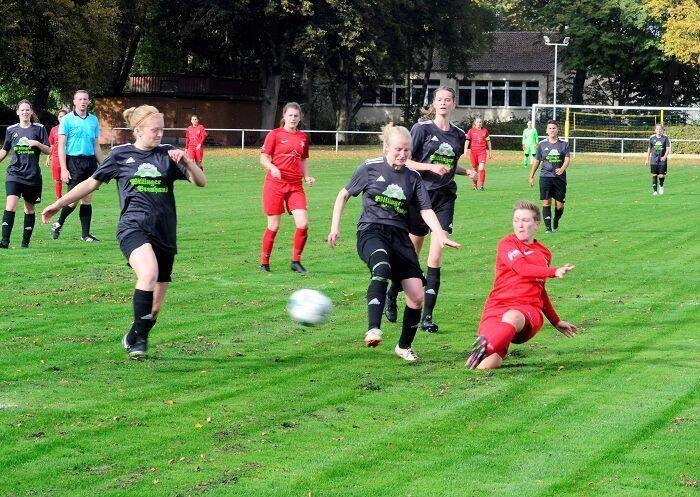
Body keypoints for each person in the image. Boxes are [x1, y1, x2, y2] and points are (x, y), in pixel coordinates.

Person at [42, 105, 206, 358]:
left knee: (156, 305)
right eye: (155, 130)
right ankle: (140, 342)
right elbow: (90, 183)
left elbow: (200, 181)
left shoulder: (167, 155)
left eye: (162, 129)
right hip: (133, 227)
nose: (160, 134)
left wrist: (186, 161)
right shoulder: (120, 155)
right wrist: (58, 203)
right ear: (137, 130)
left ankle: (134, 334)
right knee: (148, 273)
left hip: (164, 232)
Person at [327, 123, 460, 362]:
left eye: (407, 150)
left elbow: (426, 210)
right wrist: (335, 227)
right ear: (386, 147)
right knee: (381, 268)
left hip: (400, 236)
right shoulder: (369, 168)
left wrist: (440, 234)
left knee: (417, 295)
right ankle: (373, 328)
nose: (403, 154)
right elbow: (343, 194)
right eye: (398, 149)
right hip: (372, 230)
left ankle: (403, 346)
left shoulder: (414, 177)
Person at [384, 86, 477, 333]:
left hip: (445, 199)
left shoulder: (458, 135)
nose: (444, 103)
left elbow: (450, 165)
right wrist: (429, 168)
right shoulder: (422, 129)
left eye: (448, 100)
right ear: (434, 104)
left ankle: (427, 318)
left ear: (454, 104)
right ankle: (393, 292)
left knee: (435, 256)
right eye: (439, 100)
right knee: (411, 256)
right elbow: (408, 161)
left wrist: (466, 171)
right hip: (420, 197)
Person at [466, 199, 578, 370]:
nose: (519, 225)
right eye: (516, 220)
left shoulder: (544, 253)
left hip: (527, 311)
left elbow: (540, 289)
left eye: (525, 221)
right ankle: (487, 350)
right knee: (487, 364)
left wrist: (555, 321)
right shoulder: (506, 244)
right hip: (496, 306)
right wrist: (553, 271)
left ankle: (485, 346)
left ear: (537, 224)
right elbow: (521, 268)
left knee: (513, 317)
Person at [259, 102, 314, 274]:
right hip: (275, 185)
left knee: (303, 223)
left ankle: (296, 261)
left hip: (295, 185)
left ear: (300, 118)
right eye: (290, 115)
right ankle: (264, 262)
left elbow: (303, 160)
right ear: (284, 116)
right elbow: (263, 158)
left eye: (296, 116)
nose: (293, 118)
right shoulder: (274, 135)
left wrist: (306, 176)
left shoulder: (303, 138)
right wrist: (273, 168)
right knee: (274, 226)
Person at [51, 89, 105, 242]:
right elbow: (61, 146)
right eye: (79, 99)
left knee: (87, 198)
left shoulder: (94, 120)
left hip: (90, 162)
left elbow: (96, 146)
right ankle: (58, 223)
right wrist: (64, 169)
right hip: (73, 162)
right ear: (74, 102)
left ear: (88, 102)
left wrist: (104, 165)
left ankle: (85, 234)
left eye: (85, 99)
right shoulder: (67, 120)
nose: (82, 102)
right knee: (72, 200)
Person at [0, 100, 51, 248]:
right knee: (10, 206)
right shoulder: (11, 130)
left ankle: (25, 243)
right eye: (22, 110)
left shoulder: (39, 129)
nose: (25, 112)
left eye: (27, 110)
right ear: (17, 112)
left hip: (32, 176)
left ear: (31, 112)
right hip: (14, 174)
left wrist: (36, 143)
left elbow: (49, 150)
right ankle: (4, 241)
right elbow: (5, 150)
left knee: (29, 209)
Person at [528, 120, 570, 233]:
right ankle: (548, 228)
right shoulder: (542, 144)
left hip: (559, 179)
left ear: (557, 130)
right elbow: (537, 161)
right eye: (550, 128)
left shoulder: (564, 144)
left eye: (554, 128)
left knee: (560, 205)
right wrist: (531, 175)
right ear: (547, 130)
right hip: (545, 177)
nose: (552, 130)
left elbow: (567, 159)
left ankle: (556, 219)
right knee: (546, 202)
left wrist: (562, 169)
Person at [465, 117, 492, 190]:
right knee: (474, 169)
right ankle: (474, 186)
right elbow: (467, 141)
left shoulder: (485, 131)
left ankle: (482, 186)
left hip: (482, 152)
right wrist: (465, 150)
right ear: (475, 123)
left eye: (480, 122)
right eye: (477, 122)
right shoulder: (471, 131)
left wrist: (490, 152)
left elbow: (488, 141)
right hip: (473, 153)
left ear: (482, 123)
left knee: (481, 168)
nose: (479, 123)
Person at [644, 123, 671, 196]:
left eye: (660, 129)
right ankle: (655, 191)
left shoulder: (665, 138)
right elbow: (649, 149)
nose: (659, 130)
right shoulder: (652, 138)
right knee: (654, 174)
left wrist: (665, 156)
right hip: (654, 160)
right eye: (657, 129)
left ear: (662, 130)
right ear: (655, 130)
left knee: (661, 176)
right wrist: (647, 159)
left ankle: (661, 186)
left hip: (662, 160)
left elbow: (668, 148)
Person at [47, 109, 68, 199]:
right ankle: (58, 197)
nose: (62, 118)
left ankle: (70, 198)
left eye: (64, 116)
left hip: (69, 157)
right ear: (58, 118)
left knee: (69, 178)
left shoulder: (71, 128)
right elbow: (51, 145)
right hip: (56, 158)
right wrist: (48, 157)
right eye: (60, 116)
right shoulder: (54, 129)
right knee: (57, 179)